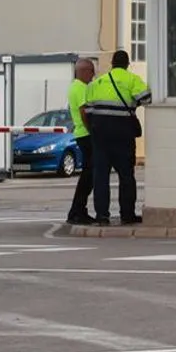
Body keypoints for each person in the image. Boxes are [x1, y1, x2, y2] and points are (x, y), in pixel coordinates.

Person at [80, 49, 150, 225]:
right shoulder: (132, 79)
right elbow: (147, 98)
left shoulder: (98, 83)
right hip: (123, 135)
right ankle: (127, 215)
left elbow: (87, 112)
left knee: (101, 176)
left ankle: (102, 216)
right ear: (127, 64)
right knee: (126, 175)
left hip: (100, 136)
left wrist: (93, 132)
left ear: (112, 64)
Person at [64, 57, 97, 225]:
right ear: (83, 71)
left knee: (88, 174)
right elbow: (84, 112)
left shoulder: (74, 87)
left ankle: (77, 210)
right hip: (85, 134)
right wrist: (93, 130)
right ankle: (78, 210)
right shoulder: (81, 88)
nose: (93, 75)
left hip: (81, 134)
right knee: (89, 175)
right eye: (91, 71)